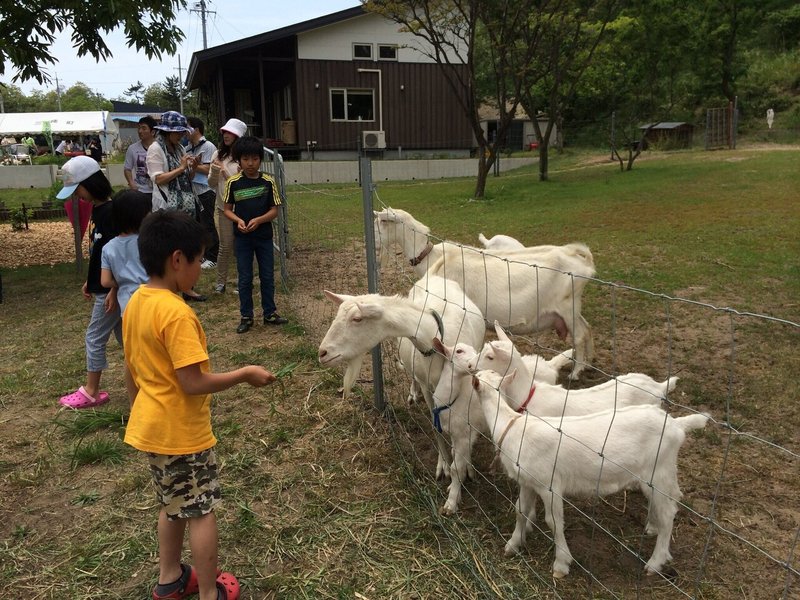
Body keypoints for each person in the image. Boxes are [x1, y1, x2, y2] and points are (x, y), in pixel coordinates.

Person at [123, 209, 275, 600]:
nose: (200, 272)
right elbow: (192, 383)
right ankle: (210, 592)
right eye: (198, 262)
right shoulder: (176, 314)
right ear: (177, 259)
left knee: (171, 504)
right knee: (201, 510)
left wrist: (137, 410)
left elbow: (131, 368)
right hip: (182, 435)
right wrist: (244, 374)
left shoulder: (137, 301)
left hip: (151, 428)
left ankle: (170, 579)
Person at [57, 156, 121, 409]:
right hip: (104, 286)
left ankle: (91, 390)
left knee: (94, 337)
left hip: (109, 290)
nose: (78, 196)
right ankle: (151, 380)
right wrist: (90, 279)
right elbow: (98, 251)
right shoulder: (98, 209)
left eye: (79, 189)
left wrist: (113, 288)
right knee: (129, 339)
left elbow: (117, 255)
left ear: (92, 184)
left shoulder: (111, 213)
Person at [222, 135, 288, 333]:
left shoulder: (268, 182)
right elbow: (227, 209)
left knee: (267, 275)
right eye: (245, 159)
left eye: (255, 159)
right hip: (242, 239)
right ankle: (246, 316)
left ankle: (269, 313)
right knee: (245, 277)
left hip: (264, 238)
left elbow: (274, 210)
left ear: (260, 159)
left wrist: (259, 220)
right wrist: (239, 221)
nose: (250, 163)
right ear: (239, 161)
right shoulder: (233, 183)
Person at [147, 110, 207, 302]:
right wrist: (181, 168)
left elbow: (187, 177)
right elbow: (158, 178)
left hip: (185, 205)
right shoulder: (156, 149)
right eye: (179, 132)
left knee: (185, 244)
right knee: (169, 248)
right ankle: (170, 287)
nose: (182, 135)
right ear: (167, 132)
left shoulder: (179, 148)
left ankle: (186, 287)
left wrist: (192, 167)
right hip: (167, 206)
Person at [208, 118, 246, 294]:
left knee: (242, 246)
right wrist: (215, 171)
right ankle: (220, 283)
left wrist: (223, 171)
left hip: (242, 209)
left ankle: (243, 281)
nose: (226, 135)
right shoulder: (217, 155)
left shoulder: (244, 158)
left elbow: (240, 184)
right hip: (223, 207)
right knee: (225, 245)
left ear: (238, 136)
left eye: (230, 132)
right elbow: (210, 183)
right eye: (225, 131)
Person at [186, 116, 219, 269]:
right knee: (197, 224)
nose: (185, 132)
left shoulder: (208, 146)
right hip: (193, 190)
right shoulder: (187, 148)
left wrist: (194, 165)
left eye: (188, 128)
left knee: (207, 223)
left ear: (196, 129)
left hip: (206, 190)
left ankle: (212, 256)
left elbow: (209, 170)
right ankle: (202, 254)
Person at [124, 116, 157, 201]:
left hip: (158, 190)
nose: (140, 131)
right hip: (140, 191)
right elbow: (127, 168)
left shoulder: (160, 147)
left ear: (152, 132)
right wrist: (131, 183)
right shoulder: (132, 148)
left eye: (144, 128)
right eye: (139, 128)